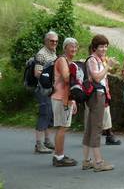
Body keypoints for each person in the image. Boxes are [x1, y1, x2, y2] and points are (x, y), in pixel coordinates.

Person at [82, 34, 117, 172]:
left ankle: (86, 161)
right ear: (95, 47)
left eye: (106, 46)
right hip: (97, 95)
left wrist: (108, 65)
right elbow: (97, 78)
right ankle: (98, 162)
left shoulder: (98, 59)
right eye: (101, 46)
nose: (104, 49)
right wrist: (107, 65)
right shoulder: (92, 60)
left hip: (97, 95)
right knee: (96, 128)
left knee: (90, 129)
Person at [51, 38, 78, 167]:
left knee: (63, 126)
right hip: (60, 98)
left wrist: (74, 101)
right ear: (65, 48)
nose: (74, 49)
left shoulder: (68, 61)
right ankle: (58, 157)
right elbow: (67, 79)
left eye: (75, 47)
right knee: (62, 127)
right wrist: (77, 72)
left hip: (66, 98)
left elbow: (71, 85)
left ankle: (59, 154)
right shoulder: (62, 60)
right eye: (71, 46)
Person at [33, 31, 58, 154]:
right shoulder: (41, 54)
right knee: (44, 114)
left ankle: (47, 141)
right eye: (51, 41)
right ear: (46, 41)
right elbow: (37, 73)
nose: (54, 43)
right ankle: (39, 144)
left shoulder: (52, 52)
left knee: (49, 114)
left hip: (50, 89)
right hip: (43, 89)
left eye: (56, 41)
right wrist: (48, 76)